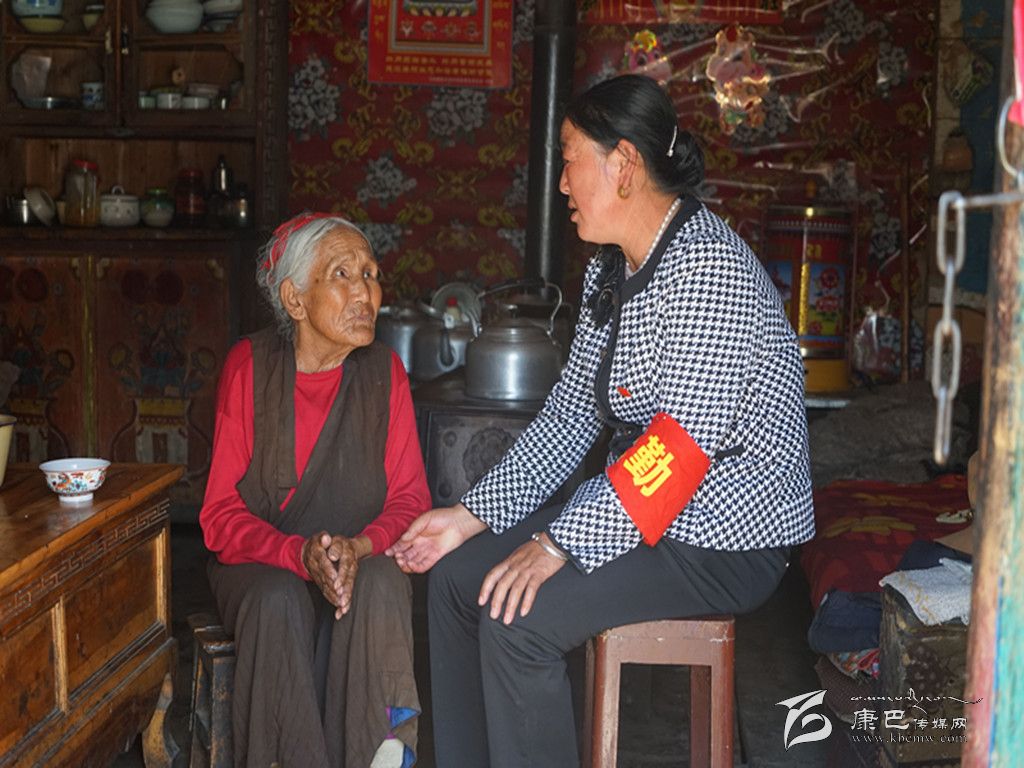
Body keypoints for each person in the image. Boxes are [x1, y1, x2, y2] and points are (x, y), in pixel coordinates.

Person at [387, 74, 816, 767]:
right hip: (649, 518)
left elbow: (676, 453)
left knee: (518, 620)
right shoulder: (609, 271)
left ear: (623, 164)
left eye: (568, 160)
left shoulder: (710, 272)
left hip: (723, 538)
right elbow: (568, 419)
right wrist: (467, 518)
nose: (561, 183)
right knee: (459, 579)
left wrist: (558, 544)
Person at [200, 213, 431, 768]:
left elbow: (410, 501)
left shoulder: (385, 373)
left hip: (354, 558)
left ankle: (381, 758)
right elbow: (219, 515)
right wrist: (296, 554)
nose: (365, 293)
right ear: (295, 300)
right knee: (277, 600)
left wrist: (358, 548)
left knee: (381, 583)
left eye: (371, 274)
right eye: (343, 275)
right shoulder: (250, 367)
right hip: (263, 565)